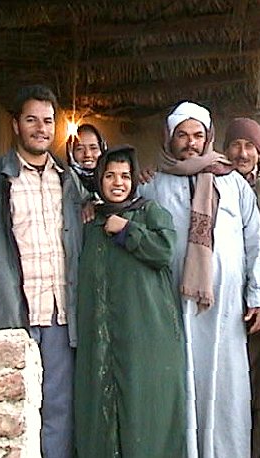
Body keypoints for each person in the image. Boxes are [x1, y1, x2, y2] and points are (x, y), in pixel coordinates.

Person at [0, 85, 82, 458]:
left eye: (47, 121)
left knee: (58, 412)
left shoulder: (68, 182)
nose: (41, 128)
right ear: (15, 124)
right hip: (10, 315)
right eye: (31, 120)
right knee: (8, 413)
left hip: (60, 317)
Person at [138, 101, 260, 458]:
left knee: (226, 389)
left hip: (227, 311)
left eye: (198, 135)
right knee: (180, 386)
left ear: (209, 137)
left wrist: (259, 296)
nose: (190, 142)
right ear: (170, 138)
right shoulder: (153, 186)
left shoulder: (233, 183)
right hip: (173, 306)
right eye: (182, 135)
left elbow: (254, 240)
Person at [75, 145, 186, 457]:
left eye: (125, 175)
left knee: (145, 412)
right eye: (109, 175)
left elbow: (164, 251)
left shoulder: (149, 212)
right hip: (102, 338)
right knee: (101, 414)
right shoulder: (91, 221)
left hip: (146, 337)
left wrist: (127, 231)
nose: (118, 182)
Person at [223, 117, 260, 458]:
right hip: (228, 301)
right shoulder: (211, 179)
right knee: (233, 383)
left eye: (249, 147)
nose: (242, 153)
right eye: (236, 145)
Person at [67, 122, 107, 194]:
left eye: (93, 148)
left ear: (102, 149)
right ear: (71, 153)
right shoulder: (64, 182)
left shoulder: (114, 180)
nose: (87, 154)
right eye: (80, 149)